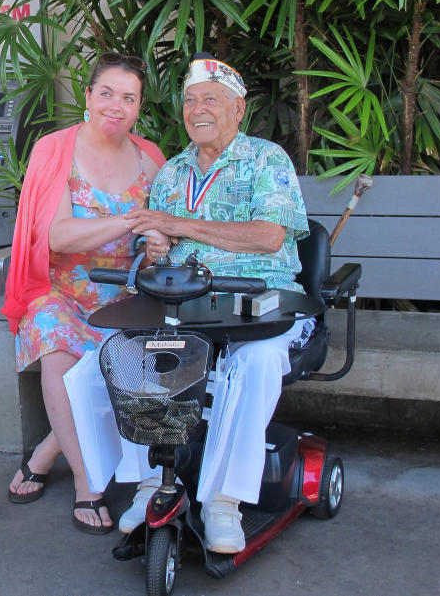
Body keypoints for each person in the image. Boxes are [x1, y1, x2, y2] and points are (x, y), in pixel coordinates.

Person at [123, 52, 310, 554]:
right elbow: (154, 254)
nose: (197, 108)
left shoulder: (266, 160)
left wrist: (180, 225)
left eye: (210, 99)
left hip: (263, 304)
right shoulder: (172, 172)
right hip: (188, 306)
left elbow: (270, 237)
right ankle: (148, 486)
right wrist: (156, 248)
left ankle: (225, 501)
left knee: (254, 362)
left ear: (238, 109)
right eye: (189, 99)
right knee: (137, 356)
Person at [1, 52, 167, 535]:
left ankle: (47, 451)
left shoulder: (151, 158)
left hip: (128, 294)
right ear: (89, 96)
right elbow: (56, 236)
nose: (116, 105)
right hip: (60, 288)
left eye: (129, 97)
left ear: (139, 108)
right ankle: (87, 483)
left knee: (140, 359)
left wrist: (156, 242)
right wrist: (129, 222)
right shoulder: (55, 149)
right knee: (59, 354)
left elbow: (160, 240)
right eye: (107, 93)